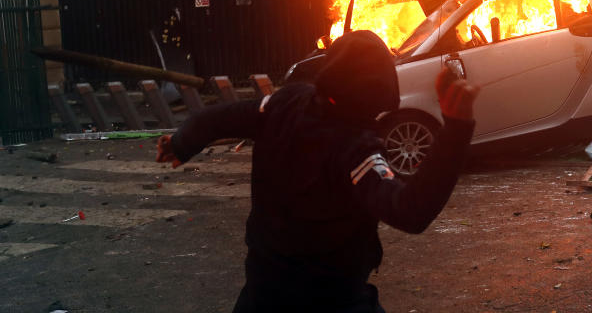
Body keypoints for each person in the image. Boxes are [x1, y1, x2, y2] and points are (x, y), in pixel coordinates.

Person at [155, 30, 479, 312]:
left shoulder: (286, 102)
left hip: (263, 290)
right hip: (331, 299)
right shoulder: (355, 148)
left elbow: (215, 118)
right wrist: (456, 128)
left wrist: (181, 144)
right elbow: (410, 210)